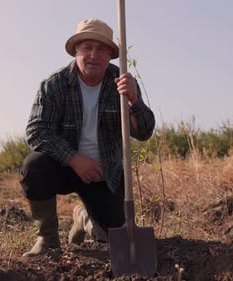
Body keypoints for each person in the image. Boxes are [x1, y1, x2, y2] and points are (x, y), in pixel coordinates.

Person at [20, 18, 155, 257]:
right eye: (87, 48)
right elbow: (36, 130)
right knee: (34, 166)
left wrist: (135, 101)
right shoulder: (54, 85)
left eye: (102, 49)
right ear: (76, 51)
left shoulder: (122, 84)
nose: (94, 55)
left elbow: (144, 133)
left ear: (110, 55)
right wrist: (74, 159)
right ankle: (48, 239)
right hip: (63, 167)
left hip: (105, 174)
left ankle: (84, 218)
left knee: (111, 237)